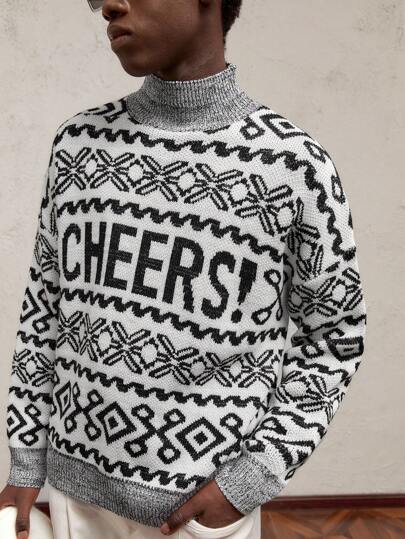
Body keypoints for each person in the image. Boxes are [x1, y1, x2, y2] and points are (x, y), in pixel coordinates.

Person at [0, 0, 367, 538]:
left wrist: (250, 478)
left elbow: (334, 339)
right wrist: (26, 458)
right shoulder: (78, 146)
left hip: (202, 509)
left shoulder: (293, 167)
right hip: (76, 499)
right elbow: (44, 311)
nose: (108, 5)